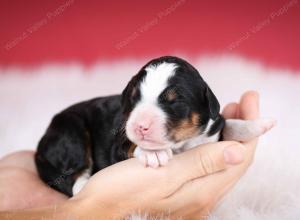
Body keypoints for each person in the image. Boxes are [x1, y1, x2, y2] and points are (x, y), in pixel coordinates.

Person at [0, 91, 260, 219]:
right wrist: (87, 210)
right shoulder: (122, 127)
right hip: (71, 129)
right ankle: (78, 176)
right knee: (76, 154)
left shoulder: (201, 119)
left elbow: (213, 127)